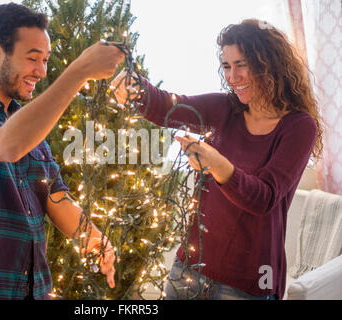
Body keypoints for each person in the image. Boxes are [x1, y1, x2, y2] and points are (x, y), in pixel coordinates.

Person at [112, 19, 322, 300]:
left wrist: (216, 164)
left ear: (269, 65)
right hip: (188, 271)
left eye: (242, 64)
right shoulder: (223, 108)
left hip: (251, 282)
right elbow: (164, 107)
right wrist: (134, 85)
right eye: (226, 66)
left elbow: (265, 198)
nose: (232, 77)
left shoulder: (299, 126)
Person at [0, 3, 124, 300]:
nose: (42, 71)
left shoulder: (30, 128)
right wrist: (80, 71)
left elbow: (56, 198)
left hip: (37, 291)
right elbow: (6, 144)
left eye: (45, 60)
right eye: (33, 59)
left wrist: (99, 242)